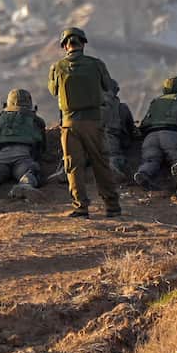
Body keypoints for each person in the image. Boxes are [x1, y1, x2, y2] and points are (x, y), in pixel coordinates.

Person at [48, 27, 122, 218]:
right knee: (101, 163)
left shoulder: (57, 67)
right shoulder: (96, 64)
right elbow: (108, 86)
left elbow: (53, 91)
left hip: (69, 124)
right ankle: (112, 206)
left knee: (73, 166)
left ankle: (80, 207)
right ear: (83, 44)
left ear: (65, 46)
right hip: (93, 122)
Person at [134, 76, 177, 201]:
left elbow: (144, 123)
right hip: (171, 134)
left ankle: (143, 173)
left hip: (150, 136)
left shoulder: (155, 102)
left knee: (150, 160)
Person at [46, 91, 135, 186]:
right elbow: (129, 132)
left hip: (84, 139)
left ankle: (66, 171)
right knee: (112, 157)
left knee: (76, 155)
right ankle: (111, 169)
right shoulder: (120, 107)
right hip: (108, 140)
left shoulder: (80, 103)